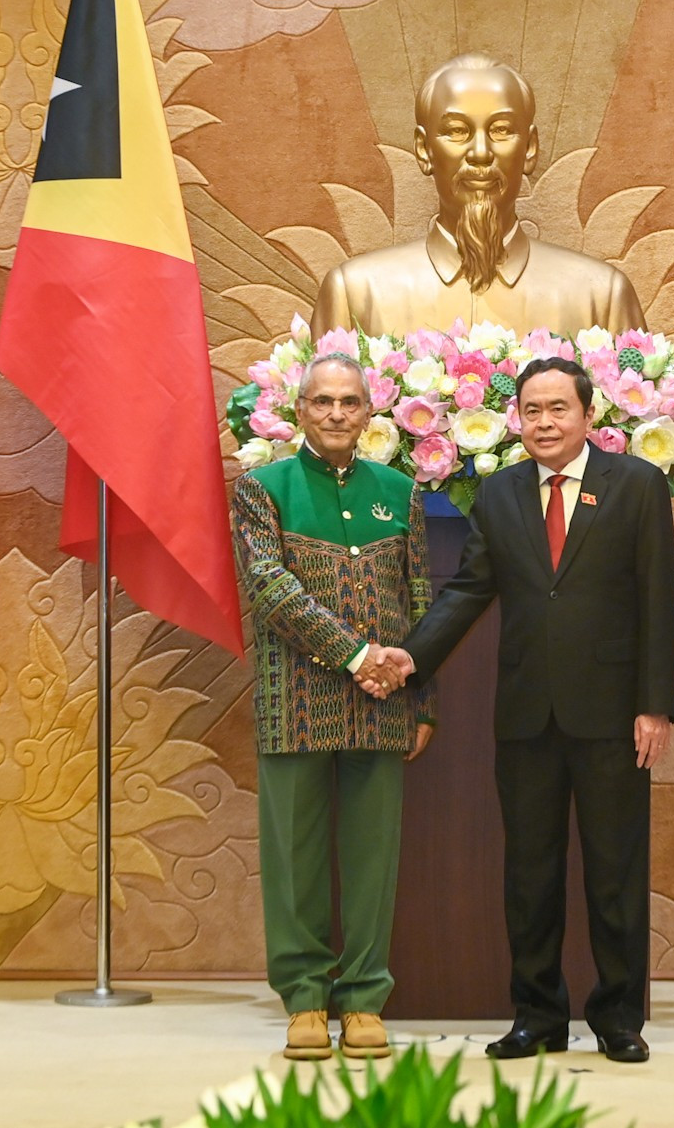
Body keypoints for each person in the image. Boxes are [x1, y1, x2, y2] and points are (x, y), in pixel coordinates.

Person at [389, 355, 674, 1063]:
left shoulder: (636, 485)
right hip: (525, 714)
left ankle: (617, 1017)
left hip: (613, 713)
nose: (545, 421)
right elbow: (467, 589)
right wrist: (411, 656)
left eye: (559, 408)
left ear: (589, 416)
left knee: (614, 869)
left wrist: (655, 707)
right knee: (530, 871)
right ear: (516, 419)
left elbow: (656, 599)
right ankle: (538, 1014)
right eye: (532, 410)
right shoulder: (499, 492)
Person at [230, 353, 435, 1061]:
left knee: (375, 856)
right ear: (300, 411)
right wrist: (358, 656)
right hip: (296, 701)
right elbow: (268, 587)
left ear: (371, 412)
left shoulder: (399, 491)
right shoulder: (262, 488)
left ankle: (364, 997)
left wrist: (421, 697)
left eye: (351, 401)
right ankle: (306, 997)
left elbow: (418, 600)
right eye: (323, 401)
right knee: (296, 856)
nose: (338, 413)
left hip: (384, 705)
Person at [310, 54, 645, 339]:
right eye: (457, 131)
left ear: (529, 149)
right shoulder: (355, 294)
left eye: (501, 130)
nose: (481, 153)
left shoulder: (601, 298)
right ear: (424, 150)